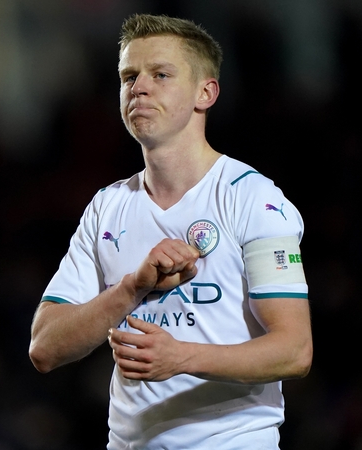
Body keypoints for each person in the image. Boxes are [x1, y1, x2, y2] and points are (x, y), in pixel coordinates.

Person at [29, 13, 313, 449]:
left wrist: (181, 358)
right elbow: (45, 347)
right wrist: (130, 290)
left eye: (160, 74)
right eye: (129, 76)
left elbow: (295, 350)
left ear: (206, 92)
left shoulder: (253, 198)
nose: (138, 87)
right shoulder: (108, 207)